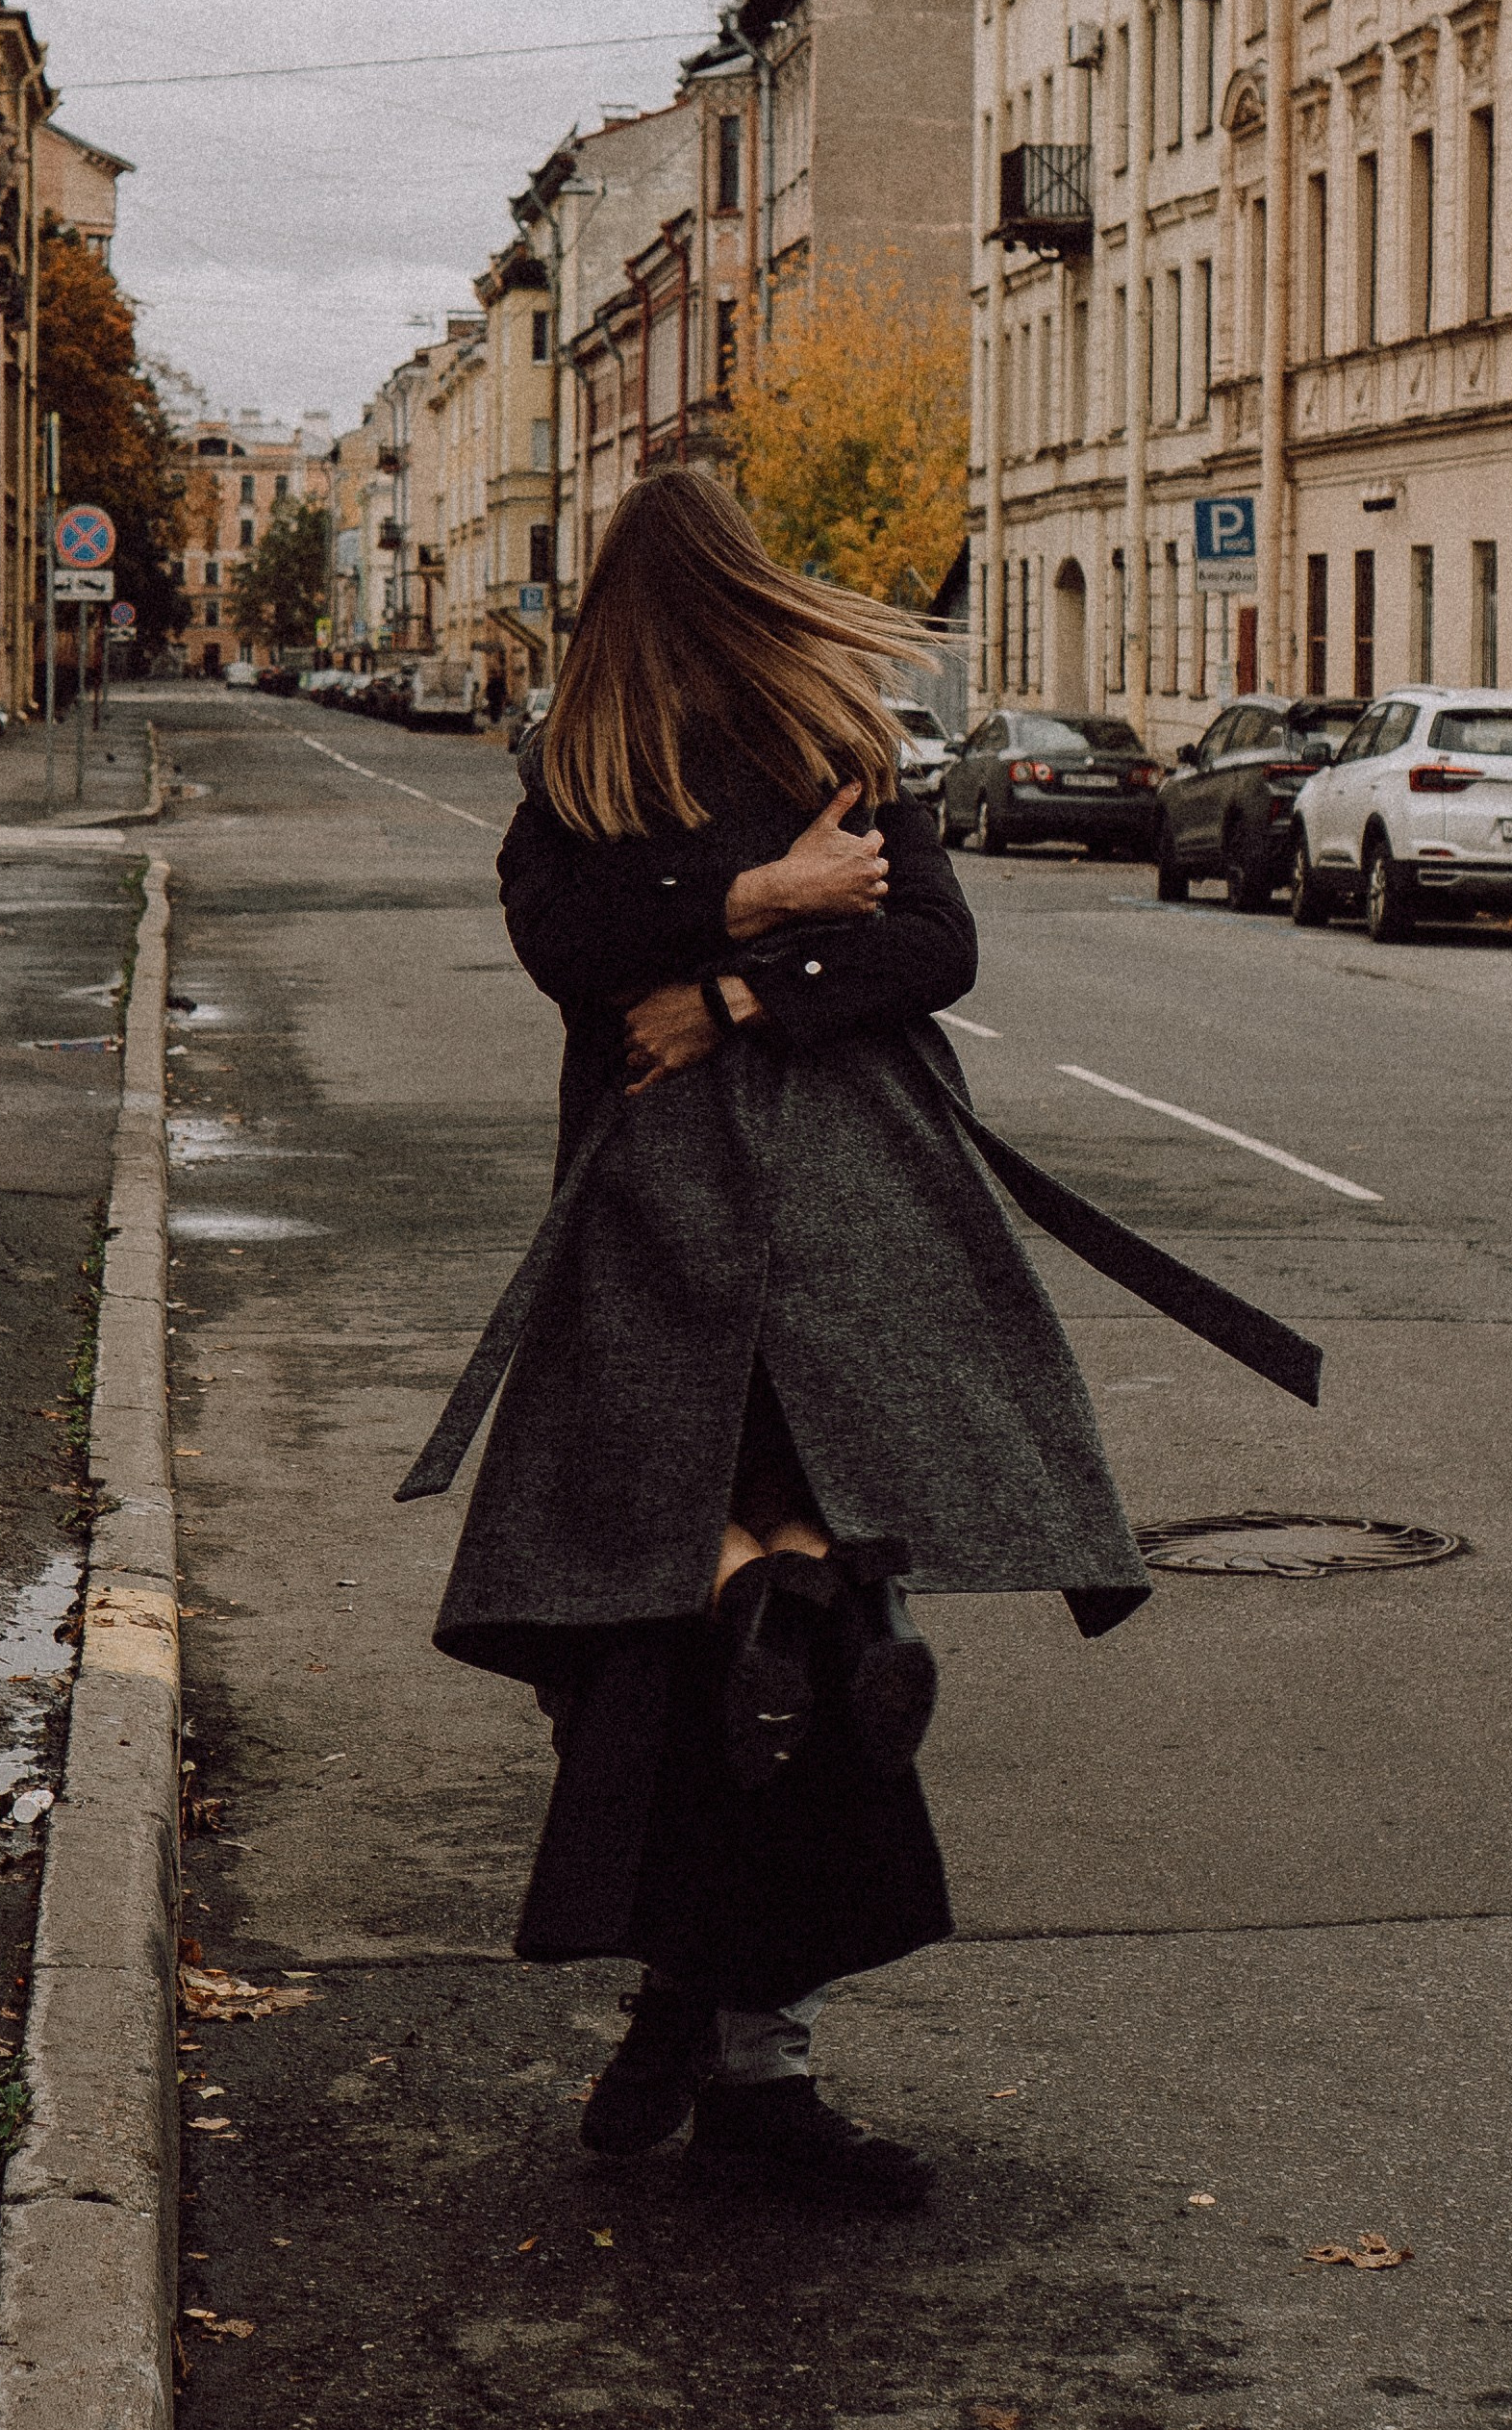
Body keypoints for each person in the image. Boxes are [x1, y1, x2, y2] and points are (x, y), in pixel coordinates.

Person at [398, 468, 1158, 2213]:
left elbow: (909, 940)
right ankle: (738, 2029)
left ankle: (716, 2011)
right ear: (752, 583)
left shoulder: (661, 755)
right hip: (763, 1228)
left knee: (661, 1630)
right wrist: (767, 897)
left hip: (742, 1228)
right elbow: (590, 942)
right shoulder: (666, 752)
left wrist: (728, 984)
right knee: (747, 1632)